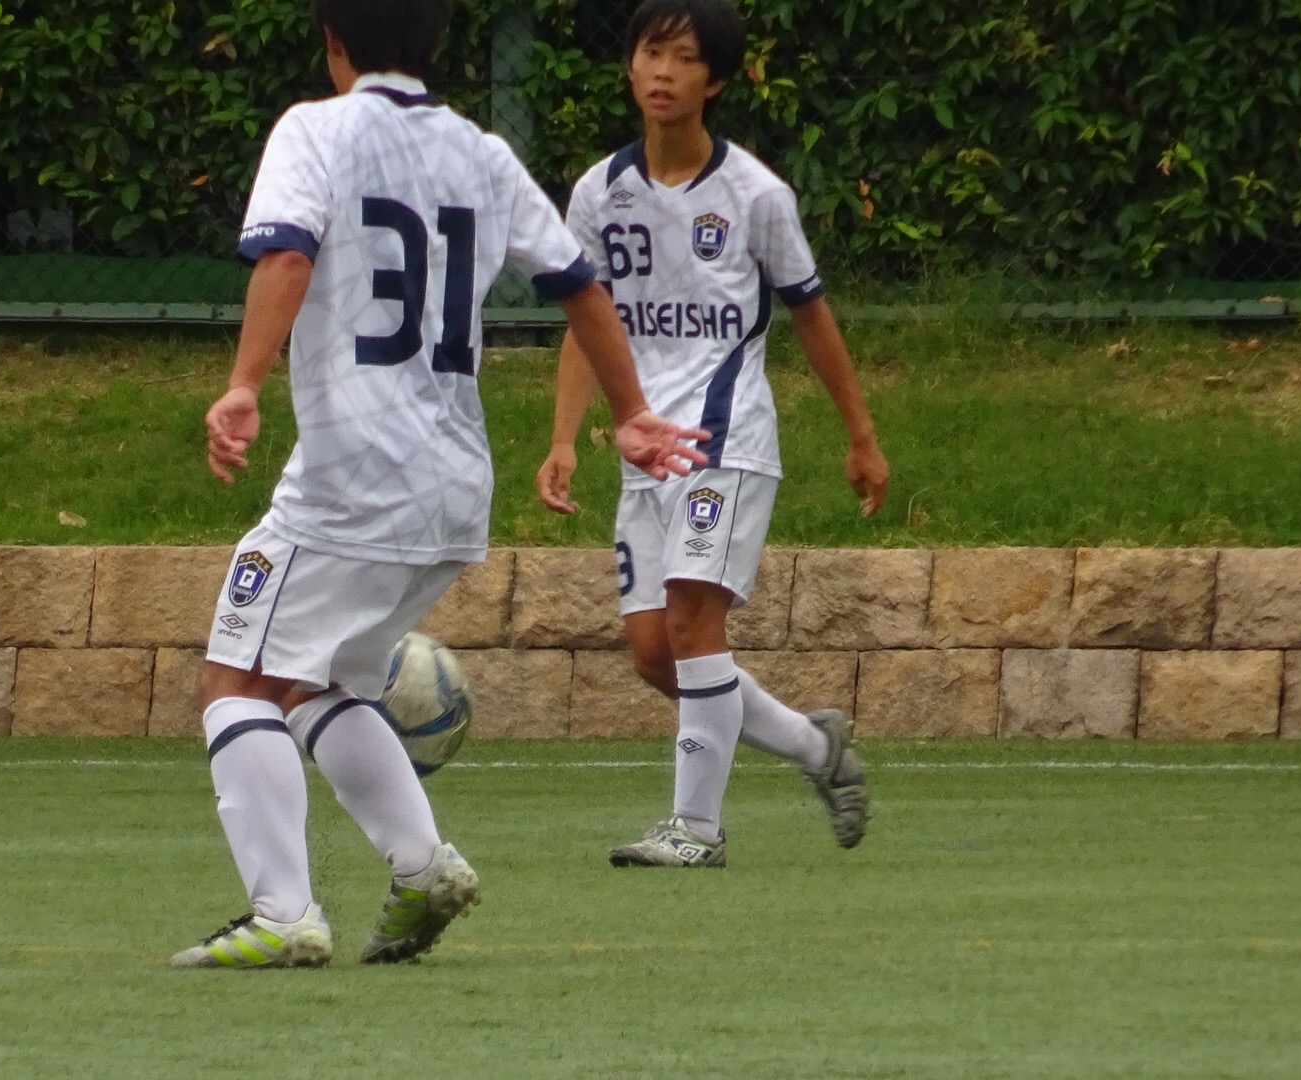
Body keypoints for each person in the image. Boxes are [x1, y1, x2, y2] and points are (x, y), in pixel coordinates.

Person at [173, 0, 708, 969]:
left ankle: (283, 914)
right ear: (437, 44)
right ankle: (422, 867)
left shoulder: (315, 129)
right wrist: (629, 410)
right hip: (454, 484)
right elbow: (579, 284)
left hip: (350, 477)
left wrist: (244, 381)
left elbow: (287, 252)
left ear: (334, 43)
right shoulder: (481, 151)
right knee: (316, 682)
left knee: (235, 679)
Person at [536, 0, 890, 868]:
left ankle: (695, 830)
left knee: (695, 624)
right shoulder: (598, 191)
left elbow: (810, 313)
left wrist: (860, 435)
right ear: (629, 65)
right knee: (656, 655)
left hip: (724, 440)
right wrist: (564, 438)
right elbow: (589, 319)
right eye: (651, 52)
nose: (663, 72)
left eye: (686, 58)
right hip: (644, 451)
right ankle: (816, 746)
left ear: (717, 80)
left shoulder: (756, 195)